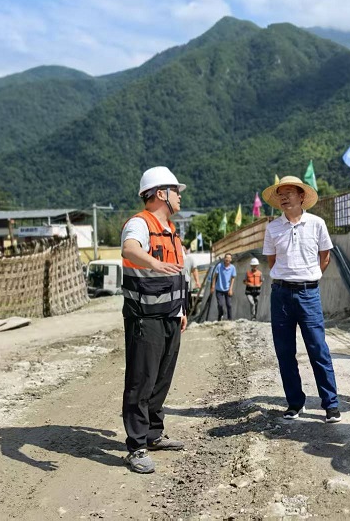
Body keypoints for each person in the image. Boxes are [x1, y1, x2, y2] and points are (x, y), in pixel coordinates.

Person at [120, 166, 188, 474]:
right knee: (141, 380)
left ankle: (153, 434)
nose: (180, 197)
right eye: (176, 191)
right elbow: (129, 249)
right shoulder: (140, 224)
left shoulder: (171, 230)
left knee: (162, 379)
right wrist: (153, 263)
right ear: (161, 193)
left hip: (171, 315)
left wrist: (181, 310)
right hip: (144, 317)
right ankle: (136, 446)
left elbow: (178, 275)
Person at [262, 175, 341, 423]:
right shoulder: (273, 228)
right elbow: (272, 261)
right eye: (281, 194)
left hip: (309, 294)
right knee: (285, 351)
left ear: (301, 196)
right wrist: (287, 278)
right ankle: (295, 403)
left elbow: (325, 257)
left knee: (318, 348)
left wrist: (309, 277)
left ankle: (331, 404)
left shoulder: (317, 224)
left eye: (289, 193)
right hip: (281, 294)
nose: (284, 198)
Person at [211, 253, 236, 321]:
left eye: (229, 258)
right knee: (220, 304)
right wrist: (213, 286)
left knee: (229, 304)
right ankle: (220, 315)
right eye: (226, 257)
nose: (227, 259)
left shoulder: (232, 268)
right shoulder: (219, 266)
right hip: (219, 288)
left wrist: (231, 289)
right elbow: (215, 276)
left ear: (231, 259)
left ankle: (230, 319)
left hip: (227, 289)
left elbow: (233, 278)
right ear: (224, 258)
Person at [183, 245, 201, 315]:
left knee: (186, 305)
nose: (182, 251)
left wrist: (197, 281)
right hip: (177, 286)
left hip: (187, 286)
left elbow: (194, 270)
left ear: (186, 251)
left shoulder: (190, 259)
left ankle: (186, 317)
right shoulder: (175, 258)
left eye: (184, 250)